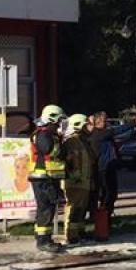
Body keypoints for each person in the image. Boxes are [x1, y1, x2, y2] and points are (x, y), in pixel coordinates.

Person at [29, 104, 67, 253]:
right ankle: (43, 241)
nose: (59, 124)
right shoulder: (44, 135)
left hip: (48, 178)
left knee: (47, 209)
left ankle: (42, 238)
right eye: (58, 121)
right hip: (43, 178)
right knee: (46, 210)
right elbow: (46, 149)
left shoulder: (48, 134)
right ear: (52, 119)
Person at [62, 113, 94, 245]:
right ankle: (71, 235)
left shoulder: (82, 141)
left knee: (81, 209)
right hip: (74, 182)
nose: (88, 127)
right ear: (78, 126)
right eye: (86, 125)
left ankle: (80, 232)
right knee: (74, 209)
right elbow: (68, 162)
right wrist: (74, 176)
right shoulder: (71, 142)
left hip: (83, 181)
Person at [90, 111, 120, 222]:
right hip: (103, 169)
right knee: (106, 193)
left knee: (112, 193)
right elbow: (116, 131)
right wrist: (134, 123)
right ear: (97, 121)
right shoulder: (98, 133)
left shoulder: (106, 135)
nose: (106, 122)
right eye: (104, 120)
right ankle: (102, 218)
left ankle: (107, 216)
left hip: (110, 166)